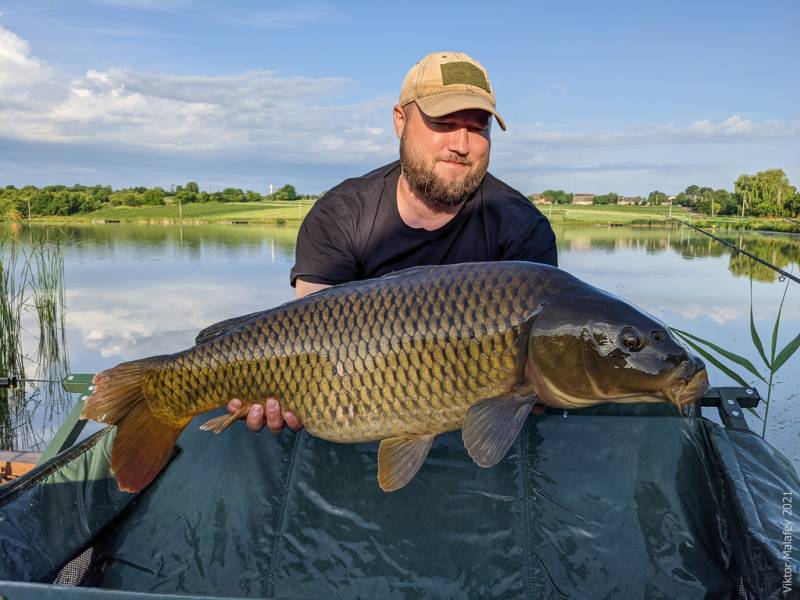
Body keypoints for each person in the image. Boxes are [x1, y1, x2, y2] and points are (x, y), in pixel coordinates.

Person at [228, 51, 557, 432]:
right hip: (350, 414)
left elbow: (533, 387)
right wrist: (282, 395)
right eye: (444, 123)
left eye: (477, 127)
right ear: (400, 121)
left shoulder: (523, 228)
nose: (462, 145)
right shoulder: (341, 216)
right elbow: (306, 340)